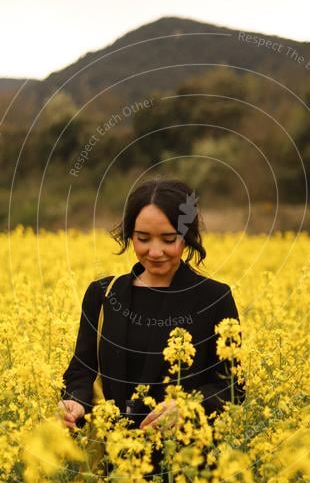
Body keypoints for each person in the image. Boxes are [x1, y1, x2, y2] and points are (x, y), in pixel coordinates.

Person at [59, 178, 244, 432]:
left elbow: (232, 386)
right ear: (129, 235)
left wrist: (189, 407)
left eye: (168, 239)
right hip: (113, 461)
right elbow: (81, 370)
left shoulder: (214, 299)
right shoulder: (103, 295)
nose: (155, 252)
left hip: (184, 462)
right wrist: (75, 403)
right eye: (143, 238)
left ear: (187, 236)